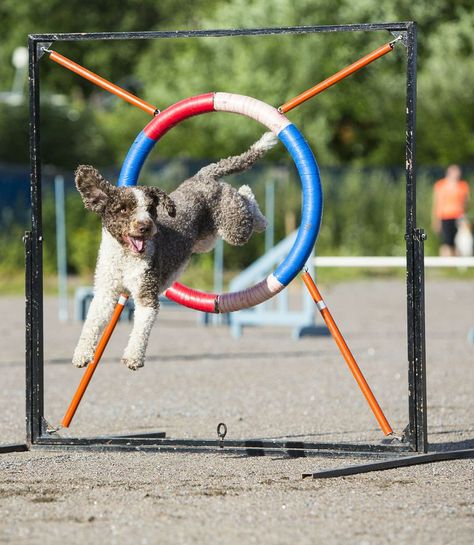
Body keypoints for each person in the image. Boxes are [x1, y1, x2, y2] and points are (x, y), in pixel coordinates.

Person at [432, 165, 470, 256]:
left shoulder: (463, 185)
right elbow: (437, 203)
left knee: (459, 241)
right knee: (446, 242)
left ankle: (457, 265)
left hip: (459, 217)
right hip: (445, 216)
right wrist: (436, 221)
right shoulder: (440, 185)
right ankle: (445, 265)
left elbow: (467, 202)